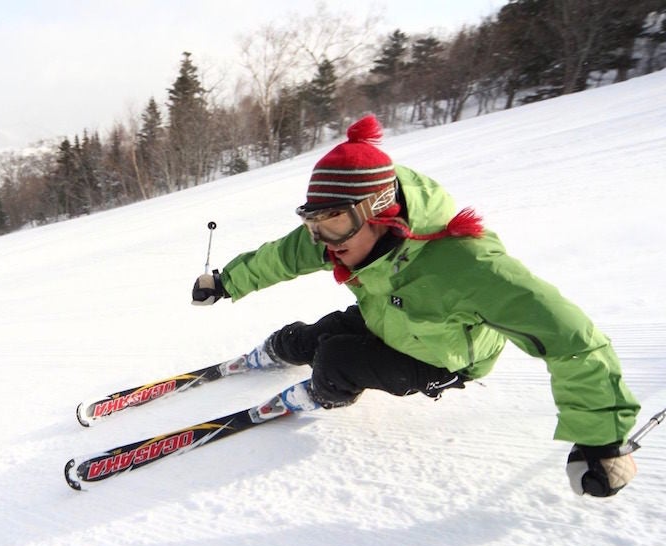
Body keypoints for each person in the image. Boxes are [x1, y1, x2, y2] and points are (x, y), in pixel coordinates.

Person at [191, 114, 640, 498]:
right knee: (308, 335)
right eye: (314, 223)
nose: (322, 240)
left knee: (335, 358)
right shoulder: (342, 233)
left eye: (333, 223)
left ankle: (323, 392)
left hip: (441, 359)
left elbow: (573, 341)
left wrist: (601, 442)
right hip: (390, 319)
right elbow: (285, 254)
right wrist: (226, 280)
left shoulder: (469, 265)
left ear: (379, 210)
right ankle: (277, 350)